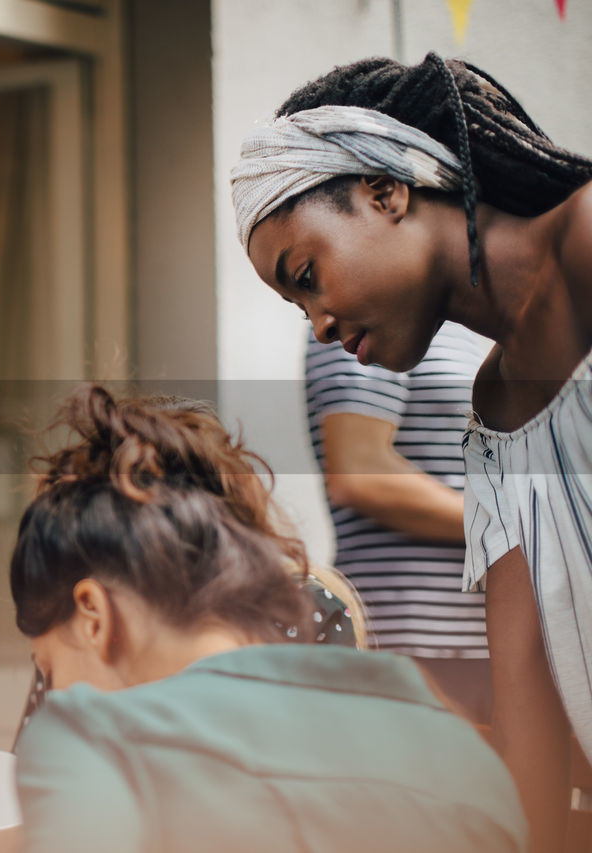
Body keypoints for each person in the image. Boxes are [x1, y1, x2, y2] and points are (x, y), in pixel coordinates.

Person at [229, 52, 592, 850]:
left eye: (307, 275)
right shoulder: (494, 412)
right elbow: (529, 692)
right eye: (296, 306)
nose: (317, 324)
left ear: (387, 192)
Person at [10, 385, 525, 853]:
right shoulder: (455, 749)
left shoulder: (90, 740)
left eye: (49, 668)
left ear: (93, 616)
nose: (51, 692)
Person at [305, 322, 491, 722]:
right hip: (410, 636)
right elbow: (358, 473)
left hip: (464, 639)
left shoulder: (456, 328)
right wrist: (511, 528)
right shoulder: (361, 314)